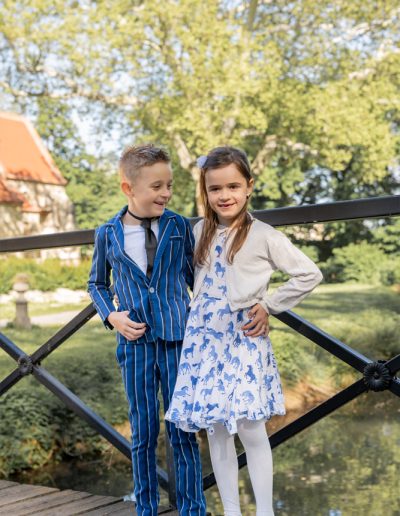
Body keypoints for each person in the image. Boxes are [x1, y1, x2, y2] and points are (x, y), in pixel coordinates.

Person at [165, 146, 323, 516]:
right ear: (205, 191)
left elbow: (309, 273)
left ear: (249, 186)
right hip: (204, 342)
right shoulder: (199, 230)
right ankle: (232, 512)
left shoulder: (264, 235)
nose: (224, 196)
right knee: (217, 430)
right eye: (215, 189)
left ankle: (265, 511)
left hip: (242, 341)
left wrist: (269, 305)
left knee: (252, 429)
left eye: (233, 186)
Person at [88, 144, 206, 516]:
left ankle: (192, 508)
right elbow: (96, 284)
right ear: (129, 188)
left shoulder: (178, 225)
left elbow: (195, 277)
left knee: (182, 430)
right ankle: (146, 506)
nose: (166, 193)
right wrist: (112, 317)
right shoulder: (107, 232)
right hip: (134, 343)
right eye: (157, 186)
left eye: (169, 185)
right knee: (142, 432)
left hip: (176, 341)